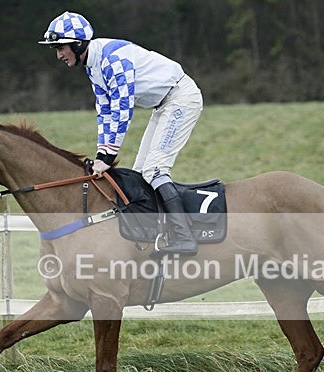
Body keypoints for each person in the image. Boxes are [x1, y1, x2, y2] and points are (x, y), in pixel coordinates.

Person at [39, 11, 202, 255]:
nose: (59, 55)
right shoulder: (93, 67)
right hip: (163, 105)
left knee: (155, 169)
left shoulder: (113, 60)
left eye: (61, 47)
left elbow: (122, 110)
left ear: (77, 43)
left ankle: (184, 237)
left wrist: (107, 159)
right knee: (139, 174)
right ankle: (155, 234)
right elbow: (104, 113)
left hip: (181, 98)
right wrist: (101, 153)